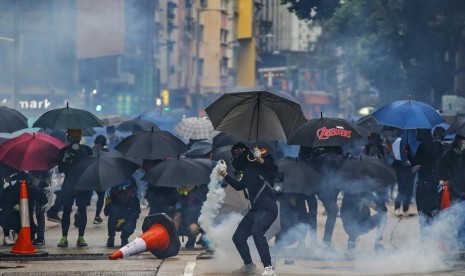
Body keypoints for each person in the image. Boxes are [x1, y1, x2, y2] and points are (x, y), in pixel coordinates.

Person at [219, 142, 278, 276]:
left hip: (268, 208)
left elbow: (272, 169)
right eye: (235, 153)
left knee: (257, 232)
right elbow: (240, 185)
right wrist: (224, 173)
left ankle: (269, 268)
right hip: (255, 210)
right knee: (238, 237)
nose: (237, 155)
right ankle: (249, 265)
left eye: (239, 152)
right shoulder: (248, 170)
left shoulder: (263, 163)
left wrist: (260, 159)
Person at [56, 129, 93, 247]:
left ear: (80, 137)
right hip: (69, 185)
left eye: (77, 137)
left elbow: (91, 166)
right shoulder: (63, 151)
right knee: (66, 211)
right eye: (72, 137)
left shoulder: (86, 150)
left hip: (83, 185)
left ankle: (81, 237)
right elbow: (61, 170)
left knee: (82, 210)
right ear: (68, 138)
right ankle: (64, 237)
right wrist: (65, 160)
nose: (75, 139)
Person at [407, 129, 443, 236]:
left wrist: (422, 167)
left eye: (419, 131)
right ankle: (425, 244)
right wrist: (408, 153)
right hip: (422, 185)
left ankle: (434, 243)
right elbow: (415, 164)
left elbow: (438, 166)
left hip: (432, 185)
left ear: (424, 133)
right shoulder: (421, 147)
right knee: (423, 218)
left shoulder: (436, 146)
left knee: (433, 216)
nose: (417, 134)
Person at [104, 179, 140, 247]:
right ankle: (111, 237)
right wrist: (107, 204)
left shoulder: (134, 199)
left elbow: (136, 214)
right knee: (113, 213)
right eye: (121, 189)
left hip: (127, 221)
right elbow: (106, 213)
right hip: (115, 221)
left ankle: (124, 238)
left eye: (125, 189)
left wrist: (125, 220)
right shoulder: (113, 197)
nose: (123, 191)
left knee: (130, 225)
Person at [91, 135, 108, 224]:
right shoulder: (105, 151)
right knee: (101, 197)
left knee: (85, 198)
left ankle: (78, 215)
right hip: (100, 178)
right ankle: (97, 216)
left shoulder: (91, 150)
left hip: (89, 177)